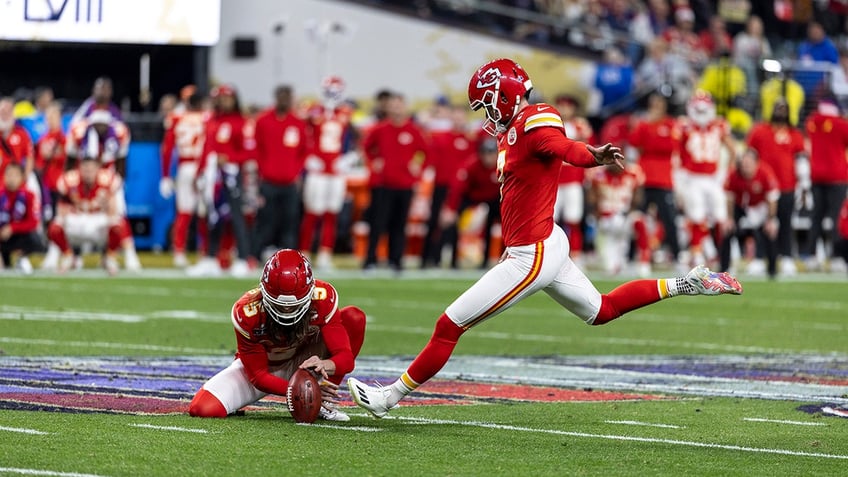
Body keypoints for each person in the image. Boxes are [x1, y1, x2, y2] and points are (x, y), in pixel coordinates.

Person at [347, 58, 743, 418]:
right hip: (545, 243)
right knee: (601, 310)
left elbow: (561, 147)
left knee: (449, 326)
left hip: (532, 253)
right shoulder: (512, 130)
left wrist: (592, 155)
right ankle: (687, 283)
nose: (486, 115)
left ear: (503, 97)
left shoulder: (536, 118)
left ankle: (389, 397)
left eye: (487, 104)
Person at [189, 249, 366, 421]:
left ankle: (325, 401)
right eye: (279, 306)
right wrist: (299, 390)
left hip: (306, 361)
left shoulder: (322, 298)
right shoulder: (247, 311)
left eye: (294, 306)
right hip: (268, 368)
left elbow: (346, 359)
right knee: (202, 408)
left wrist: (325, 365)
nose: (287, 311)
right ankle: (314, 396)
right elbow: (258, 375)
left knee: (354, 317)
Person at [188, 85, 254, 277]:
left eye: (227, 98)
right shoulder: (211, 121)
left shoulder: (241, 122)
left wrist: (230, 157)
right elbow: (206, 149)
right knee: (212, 217)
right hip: (211, 176)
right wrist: (199, 172)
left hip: (231, 175)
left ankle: (243, 258)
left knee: (236, 216)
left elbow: (250, 151)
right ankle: (210, 258)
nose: (223, 102)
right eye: (220, 98)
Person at [361, 94, 429, 274]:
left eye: (399, 105)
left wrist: (417, 167)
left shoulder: (413, 130)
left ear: (404, 107)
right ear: (389, 108)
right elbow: (367, 147)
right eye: (393, 105)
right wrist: (374, 161)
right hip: (383, 184)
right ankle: (370, 260)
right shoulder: (380, 129)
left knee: (399, 225)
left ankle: (396, 260)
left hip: (405, 185)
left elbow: (424, 152)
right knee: (378, 223)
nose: (397, 109)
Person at [299, 77, 355, 270]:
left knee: (332, 213)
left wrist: (349, 157)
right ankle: (304, 252)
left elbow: (351, 139)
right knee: (312, 212)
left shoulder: (346, 113)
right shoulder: (314, 111)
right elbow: (304, 136)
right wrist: (308, 157)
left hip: (336, 171)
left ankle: (325, 253)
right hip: (318, 170)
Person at [675, 90, 736, 268]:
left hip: (713, 177)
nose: (701, 114)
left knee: (720, 216)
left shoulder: (719, 126)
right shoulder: (684, 127)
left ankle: (722, 256)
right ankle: (699, 255)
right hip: (692, 177)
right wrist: (679, 181)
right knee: (696, 216)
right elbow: (676, 154)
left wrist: (725, 173)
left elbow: (732, 151)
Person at [47, 156, 136, 274]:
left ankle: (110, 256)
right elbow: (61, 208)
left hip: (97, 220)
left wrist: (107, 209)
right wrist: (68, 211)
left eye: (91, 170)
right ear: (79, 169)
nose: (88, 173)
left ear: (98, 169)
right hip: (77, 220)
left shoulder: (108, 180)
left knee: (119, 223)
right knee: (55, 226)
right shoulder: (69, 180)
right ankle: (68, 256)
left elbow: (113, 210)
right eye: (85, 169)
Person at [745, 100, 805, 275]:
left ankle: (786, 257)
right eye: (778, 109)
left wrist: (803, 186)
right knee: (761, 223)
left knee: (786, 223)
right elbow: (750, 156)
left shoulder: (794, 134)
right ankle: (759, 258)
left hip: (787, 185)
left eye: (784, 109)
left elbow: (801, 160)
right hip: (763, 187)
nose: (780, 112)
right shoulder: (760, 131)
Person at [251, 85, 309, 265]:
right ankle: (255, 255)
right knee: (265, 221)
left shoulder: (298, 123)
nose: (285, 100)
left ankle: (290, 260)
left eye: (288, 97)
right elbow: (257, 148)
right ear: (276, 98)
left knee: (290, 221)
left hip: (290, 182)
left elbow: (304, 151)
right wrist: (261, 171)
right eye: (282, 96)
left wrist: (296, 172)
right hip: (268, 180)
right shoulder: (263, 120)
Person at [629, 92, 681, 264]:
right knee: (637, 218)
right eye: (653, 105)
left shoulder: (671, 124)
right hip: (644, 178)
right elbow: (634, 141)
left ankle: (677, 255)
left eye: (659, 104)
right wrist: (650, 131)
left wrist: (649, 141)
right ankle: (631, 256)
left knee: (669, 219)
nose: (656, 108)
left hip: (663, 180)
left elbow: (669, 146)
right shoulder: (644, 124)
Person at [421, 105, 474, 268]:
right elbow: (430, 159)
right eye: (455, 116)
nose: (458, 120)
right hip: (441, 186)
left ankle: (453, 260)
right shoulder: (440, 138)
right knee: (434, 221)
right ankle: (428, 258)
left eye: (461, 116)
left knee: (456, 225)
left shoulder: (470, 141)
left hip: (461, 189)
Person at [160, 92, 208, 268]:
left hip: (185, 167)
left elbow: (167, 148)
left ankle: (179, 251)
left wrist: (165, 175)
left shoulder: (177, 117)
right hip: (204, 167)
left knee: (184, 212)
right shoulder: (207, 118)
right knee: (205, 212)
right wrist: (203, 170)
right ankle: (205, 252)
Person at [439, 136, 502, 269]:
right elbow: (458, 188)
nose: (488, 158)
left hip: (494, 199)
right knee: (453, 224)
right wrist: (451, 209)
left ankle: (497, 260)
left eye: (491, 154)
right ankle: (452, 259)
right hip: (472, 197)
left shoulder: (502, 166)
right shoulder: (471, 165)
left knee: (504, 226)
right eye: (485, 153)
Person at [802, 99, 848, 271]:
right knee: (836, 218)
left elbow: (810, 131)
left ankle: (812, 256)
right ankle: (836, 257)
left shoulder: (812, 121)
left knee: (816, 217)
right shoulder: (841, 124)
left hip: (817, 176)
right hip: (837, 177)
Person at [719, 148, 779, 277]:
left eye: (749, 164)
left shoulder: (765, 173)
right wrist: (729, 218)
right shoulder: (734, 175)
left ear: (756, 163)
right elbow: (729, 198)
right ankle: (724, 268)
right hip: (741, 206)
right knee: (726, 230)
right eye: (744, 163)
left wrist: (771, 219)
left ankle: (772, 269)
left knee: (770, 231)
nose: (745, 167)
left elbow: (772, 199)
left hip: (760, 206)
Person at [587, 161, 653, 276]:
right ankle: (615, 259)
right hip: (606, 221)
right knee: (612, 268)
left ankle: (644, 262)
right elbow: (591, 197)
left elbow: (639, 195)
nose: (616, 162)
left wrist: (631, 209)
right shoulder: (597, 174)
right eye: (612, 159)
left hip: (624, 218)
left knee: (639, 221)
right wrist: (596, 212)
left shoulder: (633, 173)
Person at [553, 94, 594, 264]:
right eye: (561, 105)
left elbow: (590, 149)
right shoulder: (553, 124)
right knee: (551, 220)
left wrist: (587, 175)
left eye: (567, 105)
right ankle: (553, 256)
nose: (564, 109)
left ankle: (576, 255)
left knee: (574, 218)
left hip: (573, 179)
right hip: (554, 179)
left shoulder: (581, 126)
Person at [0, 162, 41, 274]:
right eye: (9, 175)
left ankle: (22, 257)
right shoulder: (1, 194)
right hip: (2, 236)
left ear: (22, 178)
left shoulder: (29, 195)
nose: (12, 179)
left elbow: (33, 222)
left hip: (19, 236)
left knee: (35, 239)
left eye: (15, 175)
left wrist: (12, 228)